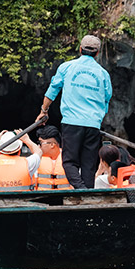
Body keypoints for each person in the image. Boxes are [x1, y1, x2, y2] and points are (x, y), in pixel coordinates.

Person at [37, 34, 112, 189]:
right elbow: (106, 98)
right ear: (97, 53)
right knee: (88, 164)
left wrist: (44, 111)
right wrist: (97, 118)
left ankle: (81, 189)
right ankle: (87, 193)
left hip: (72, 122)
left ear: (80, 49)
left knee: (69, 161)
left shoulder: (67, 67)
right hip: (93, 125)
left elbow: (53, 90)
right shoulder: (103, 74)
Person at [34, 125, 71, 190]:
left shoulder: (70, 158)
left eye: (40, 143)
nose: (38, 146)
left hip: (65, 197)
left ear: (52, 145)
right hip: (42, 198)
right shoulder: (37, 159)